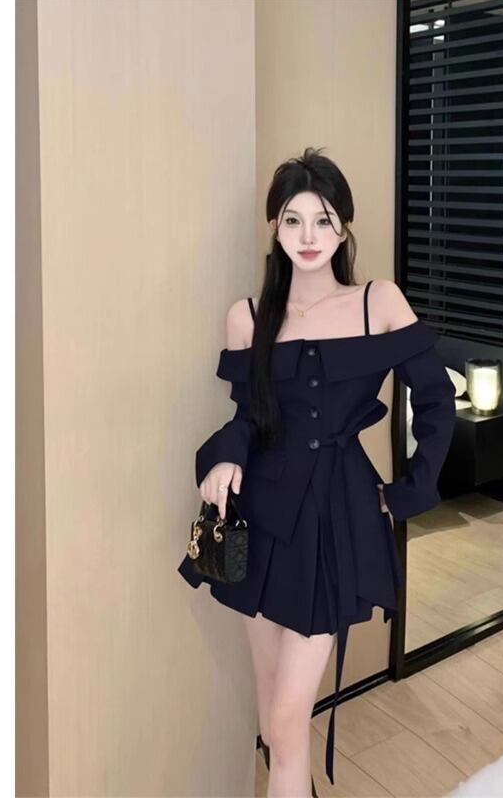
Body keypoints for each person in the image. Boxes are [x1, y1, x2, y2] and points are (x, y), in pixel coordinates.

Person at [178, 146, 456, 796]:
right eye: (294, 220)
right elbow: (250, 418)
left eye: (324, 220)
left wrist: (408, 493)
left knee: (286, 720)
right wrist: (224, 456)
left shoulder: (378, 303)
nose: (309, 236)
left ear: (344, 227)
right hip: (260, 520)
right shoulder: (248, 317)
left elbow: (436, 401)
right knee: (273, 721)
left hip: (336, 518)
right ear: (274, 227)